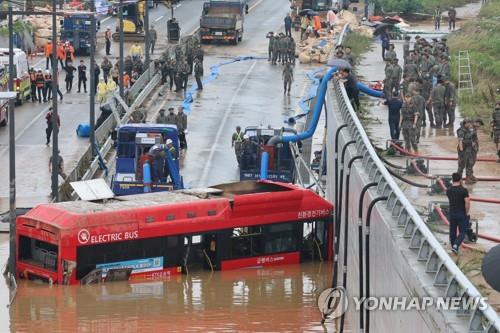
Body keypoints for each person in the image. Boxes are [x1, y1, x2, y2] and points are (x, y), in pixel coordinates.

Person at [446, 172, 471, 254]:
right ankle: (456, 245)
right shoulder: (463, 190)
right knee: (463, 231)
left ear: (452, 179)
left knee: (452, 232)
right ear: (460, 179)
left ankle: (454, 248)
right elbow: (467, 202)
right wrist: (466, 212)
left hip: (452, 214)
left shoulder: (448, 190)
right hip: (461, 213)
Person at [457, 119, 478, 184]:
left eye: (470, 124)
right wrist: (461, 151)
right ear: (465, 123)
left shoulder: (469, 130)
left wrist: (473, 145)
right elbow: (460, 141)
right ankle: (458, 180)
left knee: (470, 164)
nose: (470, 125)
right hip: (463, 150)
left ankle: (468, 179)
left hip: (469, 150)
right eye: (468, 124)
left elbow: (473, 139)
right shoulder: (461, 131)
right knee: (461, 165)